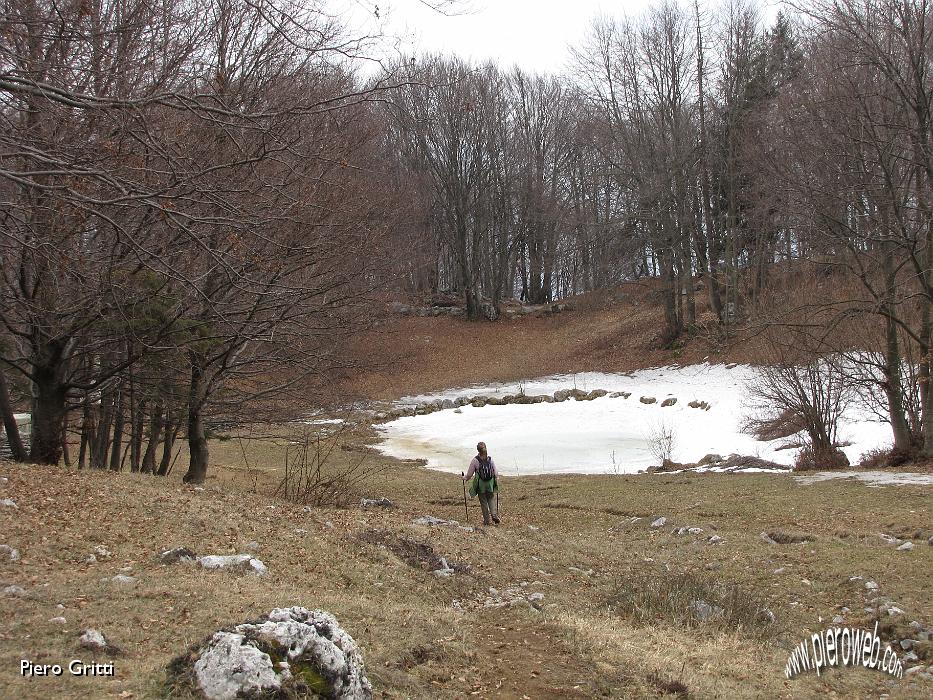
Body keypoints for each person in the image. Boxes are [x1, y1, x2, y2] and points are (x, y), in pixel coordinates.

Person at [463, 441, 500, 526]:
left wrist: (464, 478)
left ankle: (487, 521)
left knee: (483, 501)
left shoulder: (475, 460)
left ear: (478, 450)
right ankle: (494, 515)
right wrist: (496, 479)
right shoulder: (490, 459)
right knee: (490, 498)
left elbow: (469, 474)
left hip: (481, 485)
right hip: (490, 484)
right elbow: (495, 472)